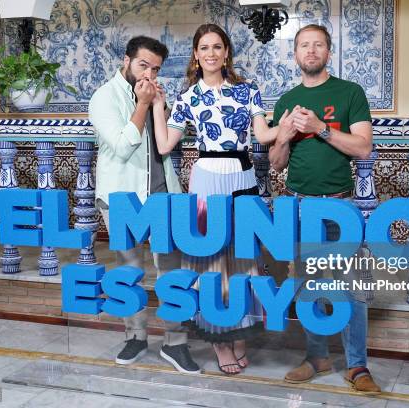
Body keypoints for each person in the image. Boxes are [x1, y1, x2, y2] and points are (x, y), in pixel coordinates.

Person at [150, 23, 280, 375]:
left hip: (243, 177)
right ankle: (221, 342)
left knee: (245, 260)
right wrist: (160, 105)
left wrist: (292, 124)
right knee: (209, 262)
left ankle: (240, 335)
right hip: (206, 178)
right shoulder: (188, 97)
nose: (210, 53)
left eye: (217, 47)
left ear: (226, 53)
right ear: (196, 54)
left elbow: (264, 134)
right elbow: (165, 145)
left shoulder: (248, 91)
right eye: (204, 47)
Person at [268, 24, 381, 394]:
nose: (311, 51)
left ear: (328, 52)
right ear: (296, 54)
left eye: (318, 45)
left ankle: (356, 365)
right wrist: (282, 137)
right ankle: (316, 357)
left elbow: (364, 148)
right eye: (304, 45)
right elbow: (276, 163)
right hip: (301, 208)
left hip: (340, 208)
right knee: (306, 286)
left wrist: (320, 128)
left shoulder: (349, 93)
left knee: (353, 289)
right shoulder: (287, 100)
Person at [88, 36, 200, 374]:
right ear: (126, 60)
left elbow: (164, 146)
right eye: (143, 65)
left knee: (172, 270)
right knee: (128, 270)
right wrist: (142, 104)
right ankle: (135, 336)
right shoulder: (103, 98)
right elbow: (123, 147)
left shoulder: (153, 96)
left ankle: (175, 344)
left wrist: (157, 107)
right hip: (122, 196)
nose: (149, 74)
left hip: (162, 195)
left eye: (155, 68)